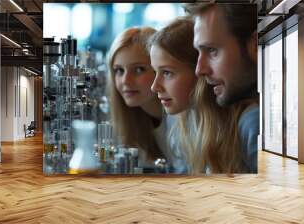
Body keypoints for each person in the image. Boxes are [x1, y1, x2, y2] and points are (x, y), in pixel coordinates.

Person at [185, 3, 259, 173]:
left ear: (256, 45)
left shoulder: (255, 122)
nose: (199, 70)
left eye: (212, 50)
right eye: (198, 53)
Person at [106, 27, 167, 169]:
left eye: (139, 69)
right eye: (119, 70)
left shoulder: (183, 120)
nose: (125, 81)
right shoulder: (133, 121)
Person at [148, 17, 199, 173]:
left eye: (168, 73)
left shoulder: (245, 125)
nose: (154, 86)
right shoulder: (179, 121)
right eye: (155, 72)